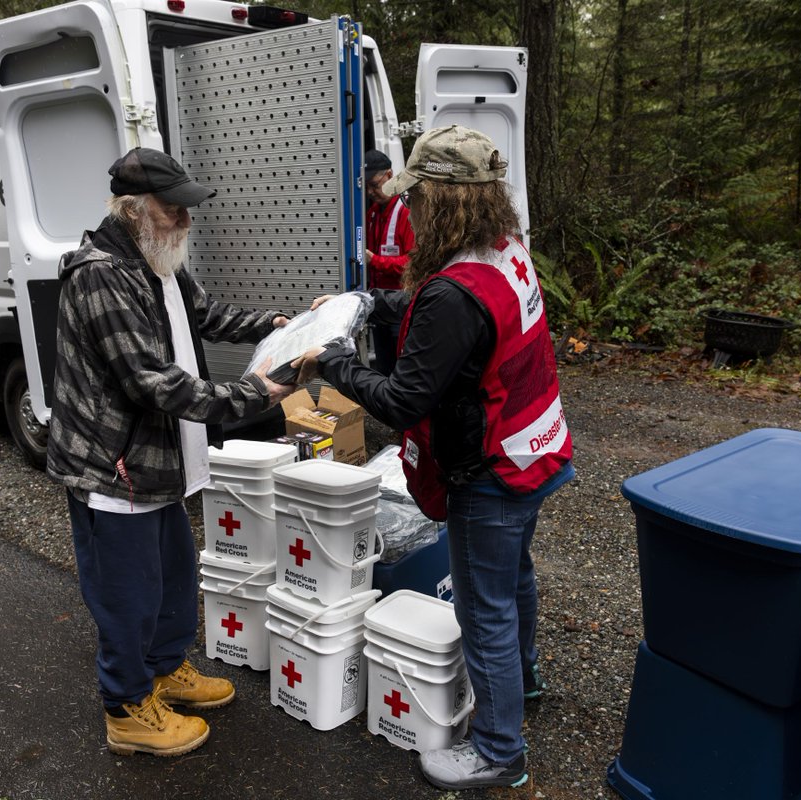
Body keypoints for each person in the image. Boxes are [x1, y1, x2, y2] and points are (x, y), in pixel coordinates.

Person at [294, 125, 574, 790]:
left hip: (490, 472)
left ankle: (499, 749)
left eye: (416, 197)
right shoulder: (502, 250)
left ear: (443, 199)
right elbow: (433, 315)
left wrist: (332, 361)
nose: (409, 208)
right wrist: (359, 303)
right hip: (535, 450)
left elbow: (399, 398)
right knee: (515, 580)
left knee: (484, 610)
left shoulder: (456, 289)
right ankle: (523, 682)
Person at [47, 147, 295, 758]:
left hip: (161, 460)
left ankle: (164, 671)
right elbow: (150, 382)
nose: (185, 221)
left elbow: (208, 315)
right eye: (173, 210)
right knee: (127, 593)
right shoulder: (102, 274)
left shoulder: (158, 263)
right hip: (116, 470)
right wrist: (253, 394)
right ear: (133, 210)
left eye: (187, 209)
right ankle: (127, 707)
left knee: (175, 579)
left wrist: (280, 324)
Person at [364, 148, 415, 375]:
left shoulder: (406, 211)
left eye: (375, 185)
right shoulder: (373, 213)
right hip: (379, 305)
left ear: (390, 175)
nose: (371, 192)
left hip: (401, 306)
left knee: (401, 369)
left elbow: (413, 261)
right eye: (366, 187)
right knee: (383, 367)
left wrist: (375, 261)